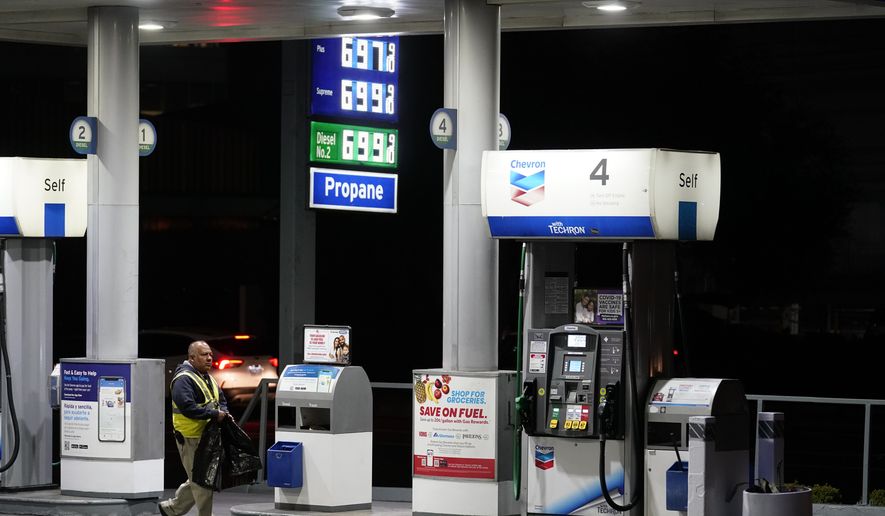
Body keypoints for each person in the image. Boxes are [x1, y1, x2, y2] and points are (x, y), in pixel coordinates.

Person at [159, 340, 230, 516]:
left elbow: (221, 400)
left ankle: (171, 509)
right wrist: (215, 415)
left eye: (210, 354)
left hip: (207, 436)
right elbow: (188, 408)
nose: (209, 358)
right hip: (190, 437)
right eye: (204, 354)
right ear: (191, 358)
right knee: (202, 482)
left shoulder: (207, 377)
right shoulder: (183, 379)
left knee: (199, 477)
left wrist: (224, 412)